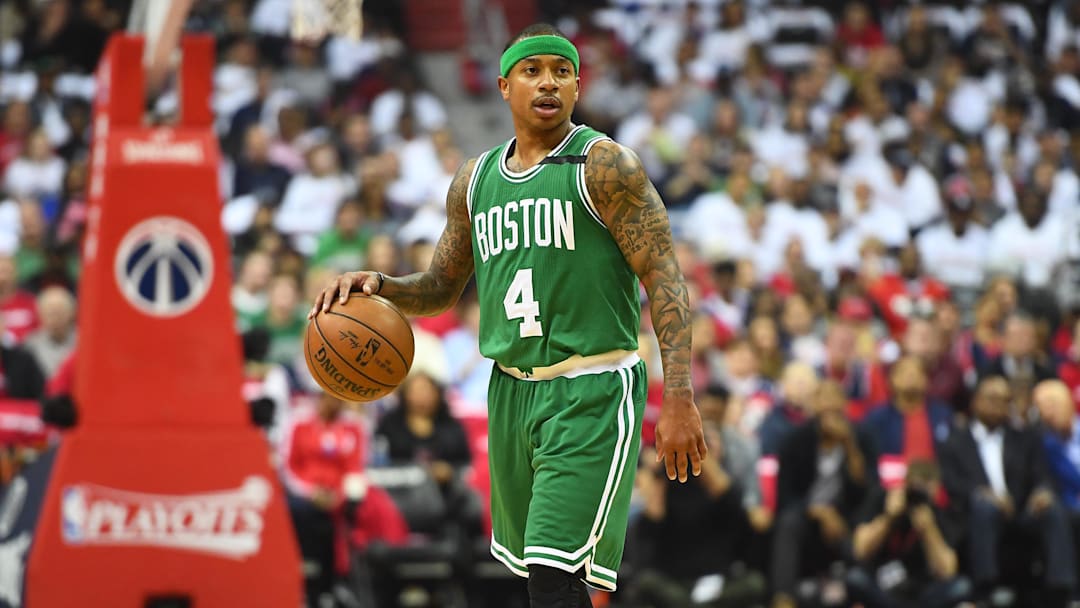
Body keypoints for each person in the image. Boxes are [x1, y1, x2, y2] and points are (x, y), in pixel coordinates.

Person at [311, 23, 705, 608]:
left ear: (576, 86)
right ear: (503, 85)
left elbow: (665, 277)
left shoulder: (604, 166)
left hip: (590, 389)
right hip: (511, 391)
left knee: (552, 573)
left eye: (562, 71)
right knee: (546, 580)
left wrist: (678, 392)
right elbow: (442, 288)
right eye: (532, 70)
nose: (548, 82)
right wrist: (383, 287)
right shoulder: (474, 182)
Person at [847, 459, 972, 608]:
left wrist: (928, 529)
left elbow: (948, 571)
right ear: (905, 485)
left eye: (926, 489)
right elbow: (860, 550)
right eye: (915, 488)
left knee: (960, 586)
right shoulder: (882, 499)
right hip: (881, 586)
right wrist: (889, 517)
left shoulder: (940, 514)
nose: (918, 495)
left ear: (937, 489)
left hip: (922, 591)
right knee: (855, 578)